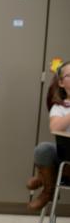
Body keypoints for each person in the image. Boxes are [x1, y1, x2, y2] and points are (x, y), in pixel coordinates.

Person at [27, 61, 70, 210]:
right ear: (61, 83)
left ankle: (43, 178)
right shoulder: (59, 108)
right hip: (65, 159)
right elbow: (55, 127)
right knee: (43, 149)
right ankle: (48, 191)